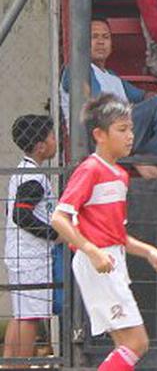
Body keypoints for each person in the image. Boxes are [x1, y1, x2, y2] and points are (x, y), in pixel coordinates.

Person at [52, 95, 157, 371]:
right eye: (122, 129)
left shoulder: (120, 175)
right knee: (137, 343)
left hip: (111, 260)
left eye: (130, 129)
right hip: (100, 264)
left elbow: (118, 236)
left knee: (128, 345)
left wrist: (150, 253)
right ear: (99, 134)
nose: (130, 136)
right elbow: (59, 218)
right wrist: (92, 250)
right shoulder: (90, 169)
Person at [61, 17, 157, 173]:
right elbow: (99, 107)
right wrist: (155, 103)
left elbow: (143, 96)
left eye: (105, 37)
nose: (100, 42)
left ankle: (156, 172)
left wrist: (154, 97)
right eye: (94, 37)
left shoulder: (112, 76)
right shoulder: (78, 69)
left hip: (123, 133)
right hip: (97, 139)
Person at [4, 115, 58, 362]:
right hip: (31, 257)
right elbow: (20, 215)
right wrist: (54, 233)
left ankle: (8, 363)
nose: (55, 141)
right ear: (41, 146)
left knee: (20, 314)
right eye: (52, 136)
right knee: (30, 318)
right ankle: (21, 366)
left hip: (19, 255)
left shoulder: (23, 171)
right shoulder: (34, 178)